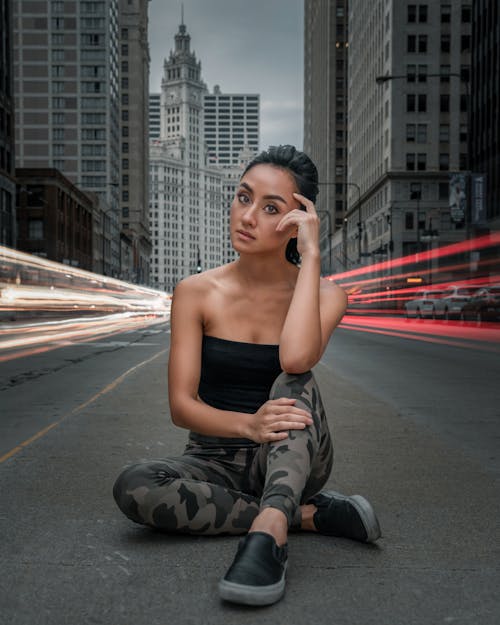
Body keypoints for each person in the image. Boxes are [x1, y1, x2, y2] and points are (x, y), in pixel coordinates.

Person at [113, 145, 381, 606]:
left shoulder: (328, 295)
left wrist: (312, 255)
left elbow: (296, 360)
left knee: (291, 382)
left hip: (290, 460)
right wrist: (247, 425)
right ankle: (309, 517)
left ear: (297, 222)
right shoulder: (196, 292)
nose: (248, 216)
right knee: (134, 485)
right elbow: (183, 407)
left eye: (271, 207)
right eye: (243, 197)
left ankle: (271, 532)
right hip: (211, 461)